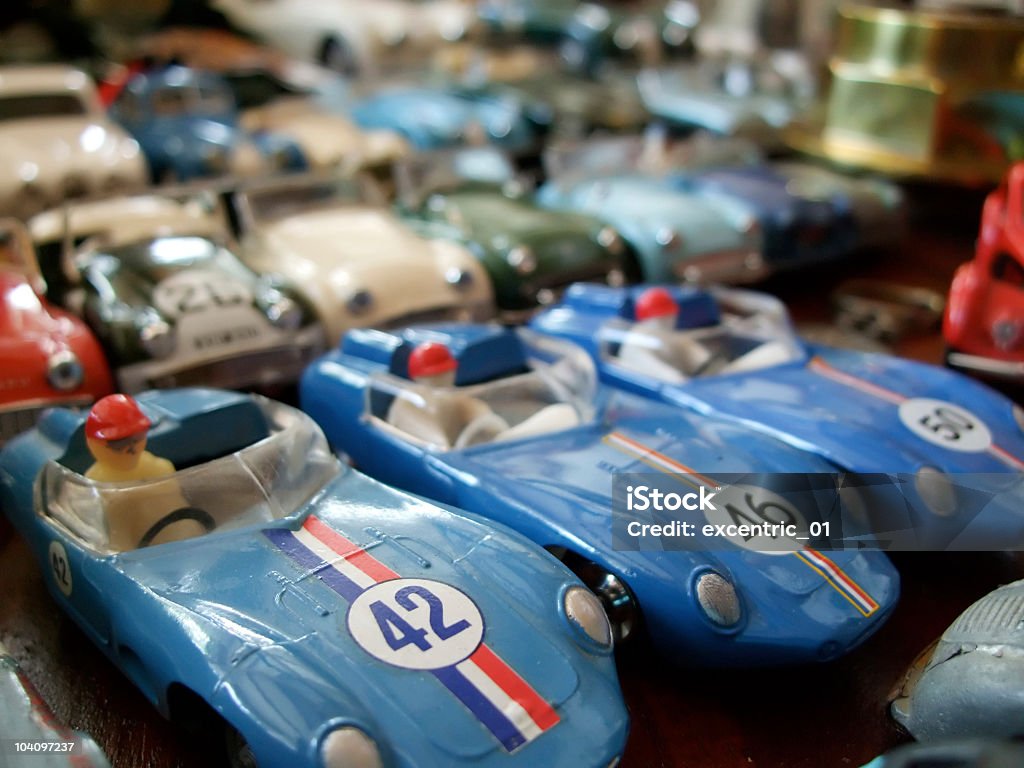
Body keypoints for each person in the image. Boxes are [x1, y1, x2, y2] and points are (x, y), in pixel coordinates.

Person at [85, 394, 209, 549]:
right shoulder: (93, 484)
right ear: (94, 444)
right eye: (118, 444)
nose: (130, 449)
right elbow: (108, 539)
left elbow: (180, 513)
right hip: (129, 555)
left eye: (136, 439)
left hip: (177, 547)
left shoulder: (159, 468)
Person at [387, 342, 509, 448]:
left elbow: (484, 417)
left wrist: (491, 427)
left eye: (447, 372)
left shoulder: (456, 398)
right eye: (433, 376)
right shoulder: (409, 403)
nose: (444, 378)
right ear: (417, 377)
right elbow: (436, 443)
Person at [615, 287, 713, 381]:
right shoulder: (637, 343)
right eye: (663, 319)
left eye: (671, 317)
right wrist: (681, 379)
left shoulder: (669, 336)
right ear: (647, 320)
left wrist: (712, 365)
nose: (669, 322)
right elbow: (666, 376)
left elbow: (700, 359)